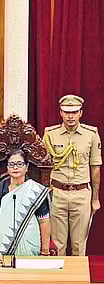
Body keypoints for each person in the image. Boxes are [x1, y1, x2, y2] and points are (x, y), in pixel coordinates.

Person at [43, 95, 101, 256]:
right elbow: (43, 167)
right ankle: (58, 281)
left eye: (74, 112)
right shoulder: (50, 134)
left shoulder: (91, 134)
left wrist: (95, 199)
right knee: (57, 244)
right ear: (60, 113)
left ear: (80, 113)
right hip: (57, 193)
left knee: (79, 245)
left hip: (81, 194)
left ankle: (79, 281)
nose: (70, 116)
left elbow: (95, 168)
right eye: (66, 112)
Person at [0, 149, 51, 256]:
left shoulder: (35, 191)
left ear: (27, 167)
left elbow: (44, 222)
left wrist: (45, 250)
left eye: (19, 164)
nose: (15, 167)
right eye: (11, 164)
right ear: (7, 168)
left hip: (30, 246)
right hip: (3, 246)